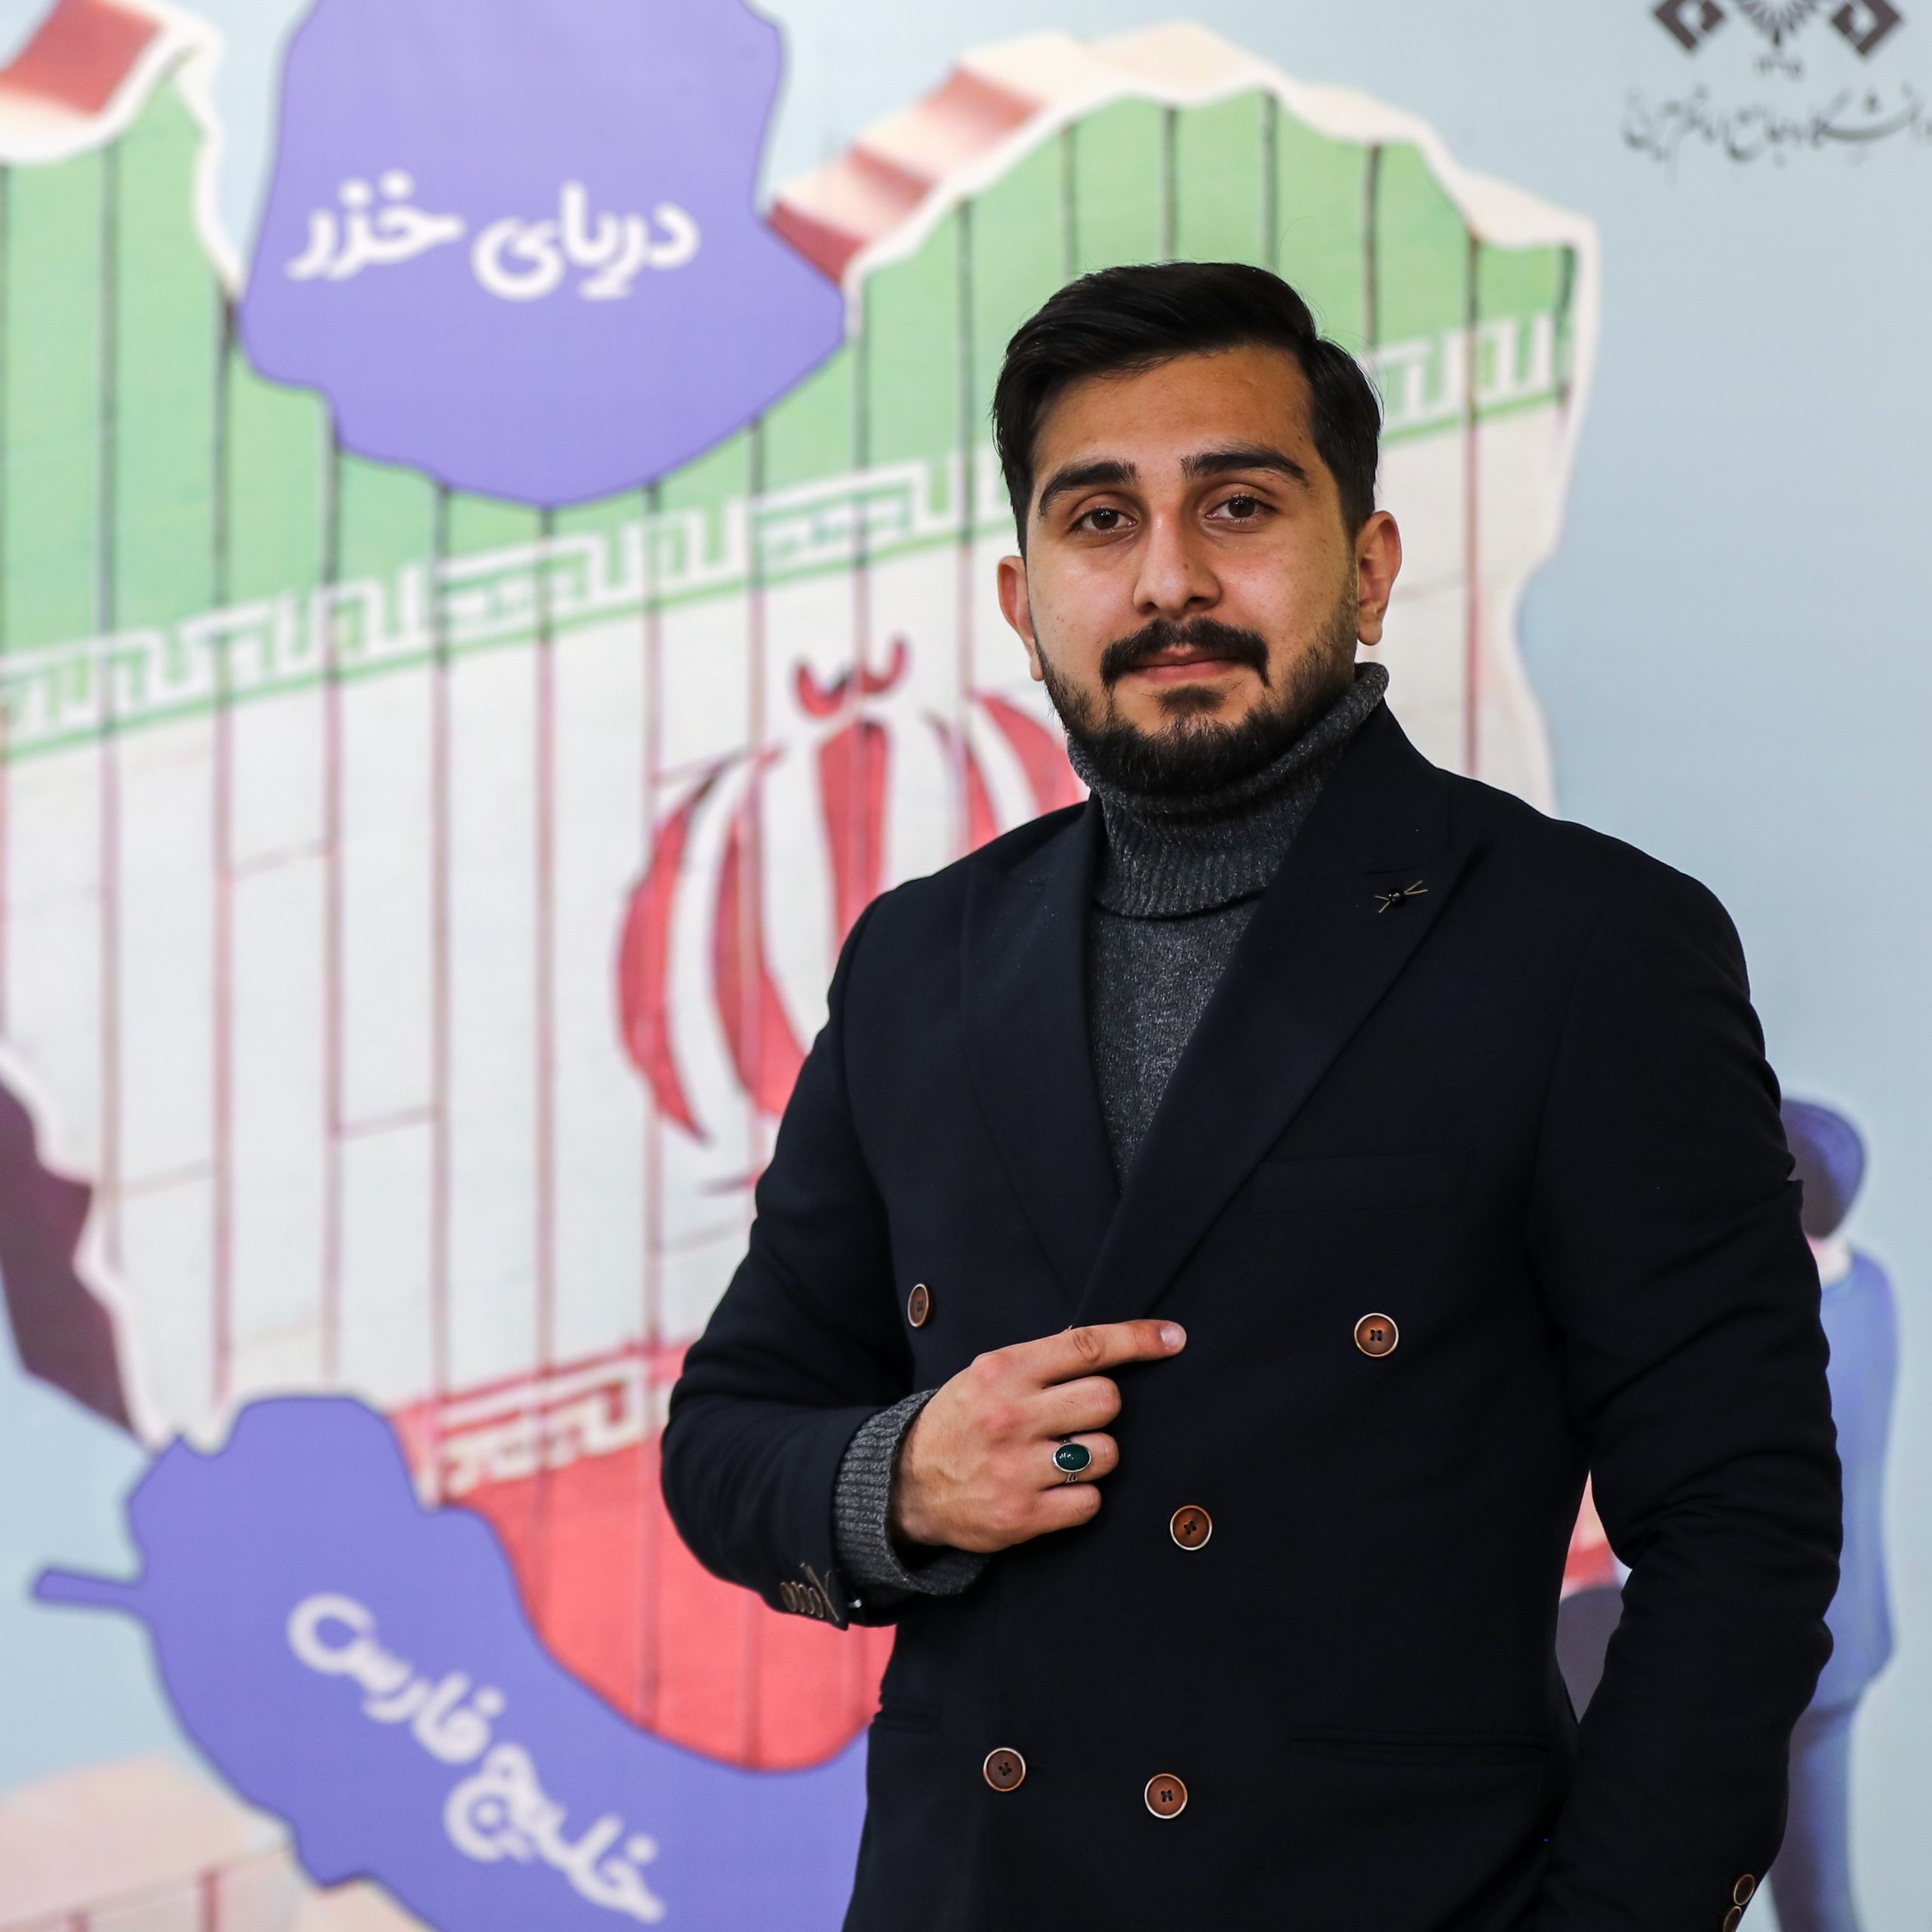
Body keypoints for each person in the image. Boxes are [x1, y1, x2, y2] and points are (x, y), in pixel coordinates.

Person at [661, 262, 1841, 1931]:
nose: (1170, 579)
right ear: (1021, 599)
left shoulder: (1587, 946)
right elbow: (729, 1431)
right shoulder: (922, 959)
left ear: (1368, 567)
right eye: (1099, 520)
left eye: (1237, 505)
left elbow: (1739, 1520)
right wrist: (901, 1476)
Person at [1768, 1100, 1898, 1932]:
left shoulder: (1777, 1341)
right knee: (1820, 1892)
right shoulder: (1873, 1287)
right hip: (1846, 1641)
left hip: (1770, 1651)